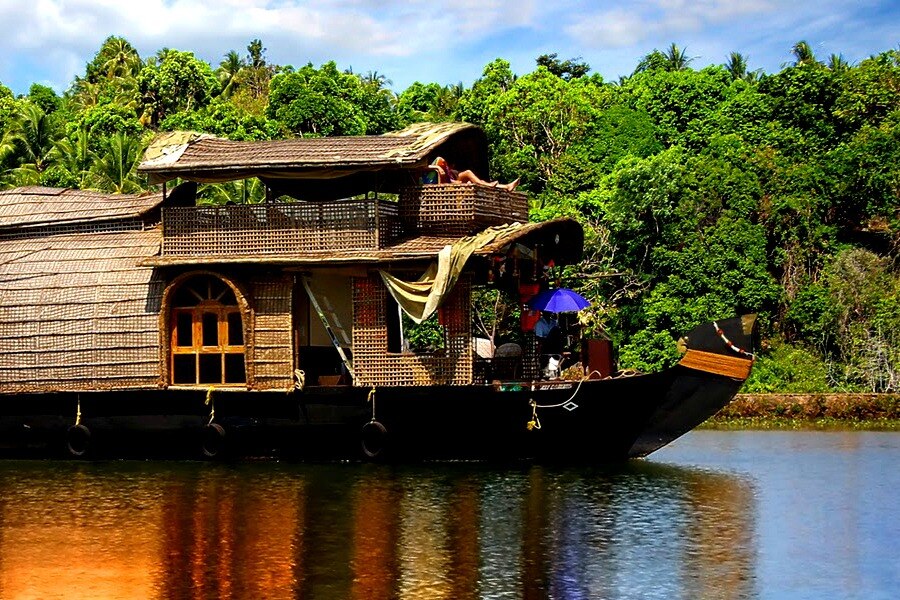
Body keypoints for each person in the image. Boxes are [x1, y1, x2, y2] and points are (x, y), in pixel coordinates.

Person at [428, 157, 520, 191]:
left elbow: (453, 178)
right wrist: (438, 168)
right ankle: (490, 185)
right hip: (445, 185)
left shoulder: (450, 171)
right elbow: (445, 181)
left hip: (453, 182)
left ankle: (506, 187)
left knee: (479, 181)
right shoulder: (436, 170)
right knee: (469, 175)